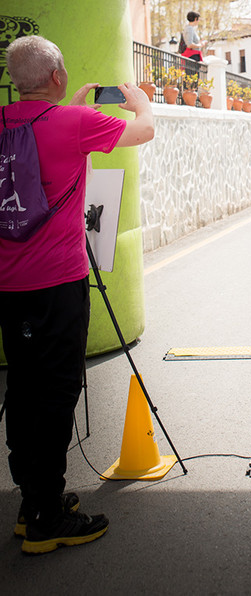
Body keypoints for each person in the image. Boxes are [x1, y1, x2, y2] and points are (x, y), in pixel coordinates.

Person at [0, 36, 154, 555]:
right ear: (59, 77)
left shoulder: (6, 121)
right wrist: (140, 102)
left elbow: (36, 132)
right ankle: (46, 518)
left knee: (21, 389)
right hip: (59, 284)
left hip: (9, 286)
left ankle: (32, 500)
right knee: (58, 390)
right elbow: (145, 131)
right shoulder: (75, 123)